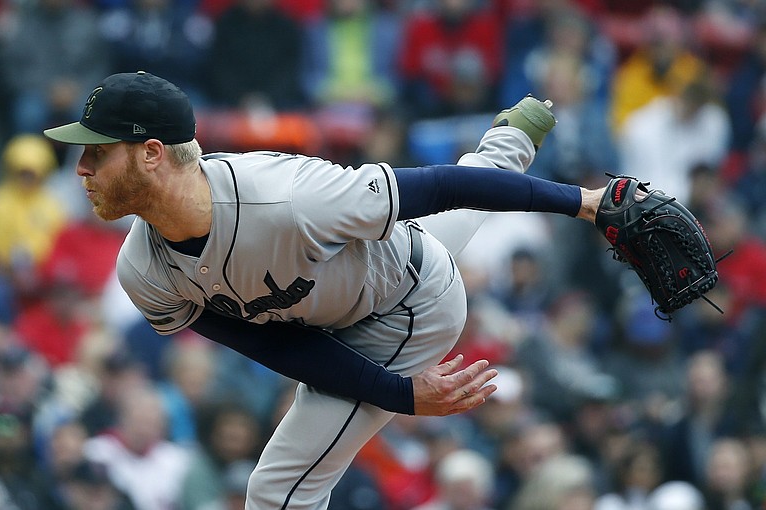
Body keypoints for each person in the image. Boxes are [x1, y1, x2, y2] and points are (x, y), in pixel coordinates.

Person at [43, 71, 610, 508]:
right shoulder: (143, 270)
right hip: (347, 290)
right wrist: (398, 394)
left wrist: (584, 203)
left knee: (276, 491)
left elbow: (435, 185)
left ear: (151, 153)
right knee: (431, 228)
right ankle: (511, 141)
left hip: (405, 304)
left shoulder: (286, 197)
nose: (82, 169)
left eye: (98, 152)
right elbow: (280, 349)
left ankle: (532, 169)